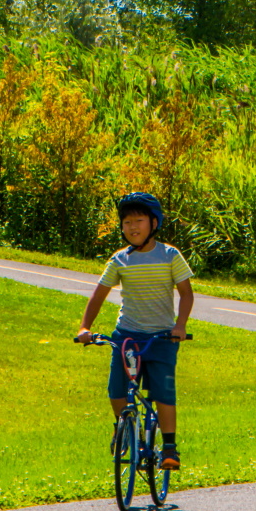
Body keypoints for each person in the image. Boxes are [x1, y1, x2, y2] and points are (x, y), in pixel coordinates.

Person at [77, 191, 196, 469]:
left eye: (139, 220)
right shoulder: (120, 260)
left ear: (154, 223)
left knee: (164, 393)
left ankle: (169, 447)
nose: (132, 227)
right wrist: (85, 327)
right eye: (127, 222)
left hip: (162, 337)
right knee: (116, 392)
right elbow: (98, 295)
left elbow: (186, 294)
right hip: (127, 335)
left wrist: (180, 326)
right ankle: (127, 432)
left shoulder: (170, 255)